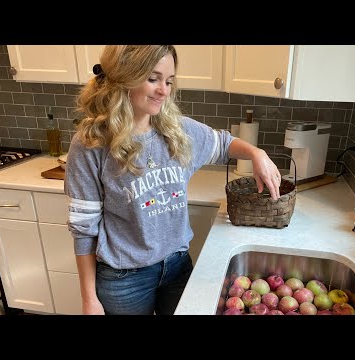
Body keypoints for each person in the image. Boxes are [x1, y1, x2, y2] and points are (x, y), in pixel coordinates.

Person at [64, 45, 282, 315]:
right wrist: (89, 299)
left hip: (178, 267)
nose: (163, 91)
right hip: (124, 279)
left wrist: (256, 153)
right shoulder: (91, 144)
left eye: (168, 81)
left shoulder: (177, 131)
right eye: (153, 79)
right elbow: (84, 230)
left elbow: (224, 144)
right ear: (124, 78)